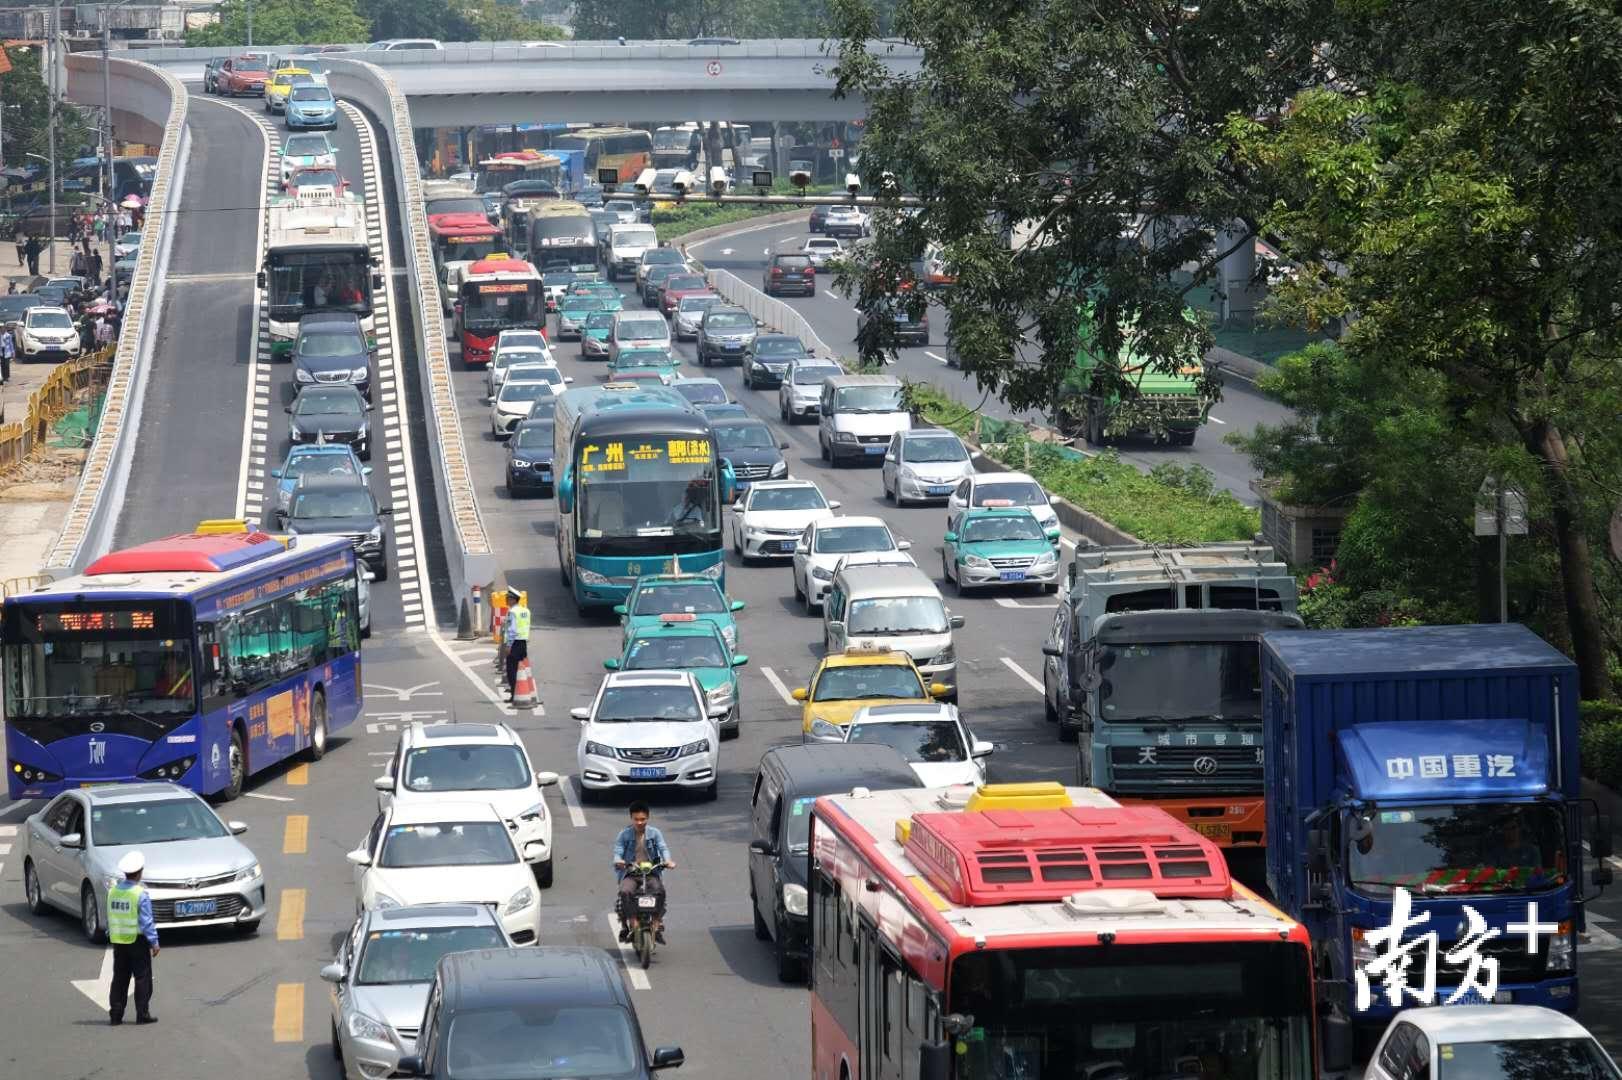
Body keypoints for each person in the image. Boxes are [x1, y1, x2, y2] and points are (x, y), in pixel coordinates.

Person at [107, 850, 159, 1025]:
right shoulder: (140, 894)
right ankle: (142, 1014)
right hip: (137, 941)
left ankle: (116, 1014)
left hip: (118, 941)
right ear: (139, 872)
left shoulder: (112, 892)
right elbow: (146, 922)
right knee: (142, 977)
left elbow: (110, 916)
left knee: (119, 978)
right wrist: (154, 942)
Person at [614, 802, 675, 944]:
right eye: (636, 819)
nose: (639, 822)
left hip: (651, 873)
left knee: (659, 891)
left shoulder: (655, 833)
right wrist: (619, 861)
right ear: (631, 818)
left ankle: (656, 922)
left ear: (647, 818)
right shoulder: (624, 835)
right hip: (631, 873)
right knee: (625, 892)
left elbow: (663, 848)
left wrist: (668, 861)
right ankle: (632, 921)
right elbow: (618, 851)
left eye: (642, 819)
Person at [501, 586, 530, 696]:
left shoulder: (512, 612)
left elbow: (512, 630)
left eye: (508, 598)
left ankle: (514, 695)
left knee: (511, 671)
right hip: (523, 642)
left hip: (514, 643)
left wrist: (508, 645)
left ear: (513, 599)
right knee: (521, 670)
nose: (506, 600)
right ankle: (524, 692)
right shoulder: (525, 611)